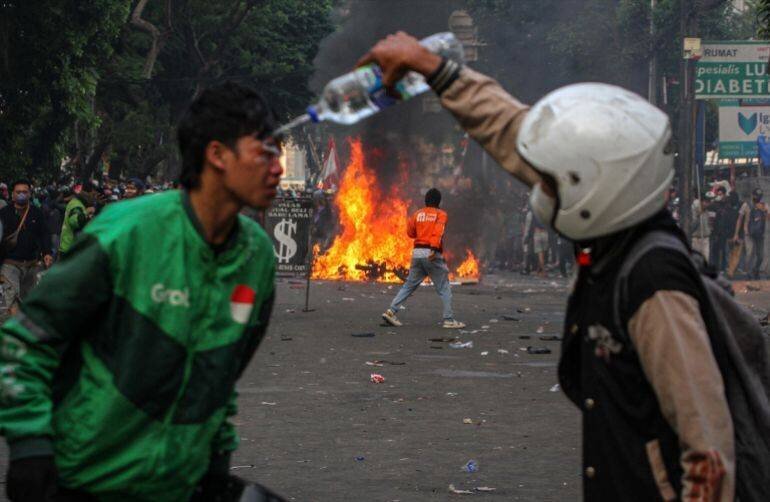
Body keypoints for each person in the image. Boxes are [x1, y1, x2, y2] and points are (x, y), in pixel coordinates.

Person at [360, 32, 737, 500]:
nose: (541, 187)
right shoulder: (616, 243)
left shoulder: (653, 283)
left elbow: (707, 448)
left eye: (558, 180)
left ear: (600, 189)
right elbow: (511, 131)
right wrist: (433, 67)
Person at [0, 82, 284, 501]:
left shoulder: (256, 256)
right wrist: (31, 450)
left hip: (182, 484)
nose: (277, 167)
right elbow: (26, 344)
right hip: (90, 481)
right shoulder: (127, 231)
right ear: (217, 154)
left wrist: (216, 464)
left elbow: (222, 376)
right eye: (265, 152)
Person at [382, 188, 465, 329]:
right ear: (439, 201)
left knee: (409, 285)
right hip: (432, 253)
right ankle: (449, 319)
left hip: (417, 253)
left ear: (425, 200)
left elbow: (410, 233)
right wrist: (433, 248)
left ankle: (391, 311)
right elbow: (438, 232)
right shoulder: (441, 214)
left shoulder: (417, 214)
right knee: (444, 286)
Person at [0, 180, 53, 320]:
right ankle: (10, 334)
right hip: (9, 265)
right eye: (18, 192)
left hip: (31, 265)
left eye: (24, 192)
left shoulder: (37, 213)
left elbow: (45, 233)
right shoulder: (3, 214)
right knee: (8, 301)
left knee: (28, 302)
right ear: (12, 194)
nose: (21, 195)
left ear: (29, 194)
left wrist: (47, 252)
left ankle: (22, 330)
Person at [743, 188, 768, 280]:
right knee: (750, 254)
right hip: (749, 233)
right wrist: (738, 233)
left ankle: (755, 270)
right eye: (756, 195)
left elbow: (769, 218)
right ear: (753, 195)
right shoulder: (747, 205)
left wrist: (764, 211)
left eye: (759, 196)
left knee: (760, 256)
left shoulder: (764, 205)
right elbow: (740, 218)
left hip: (760, 234)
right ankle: (748, 273)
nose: (757, 197)